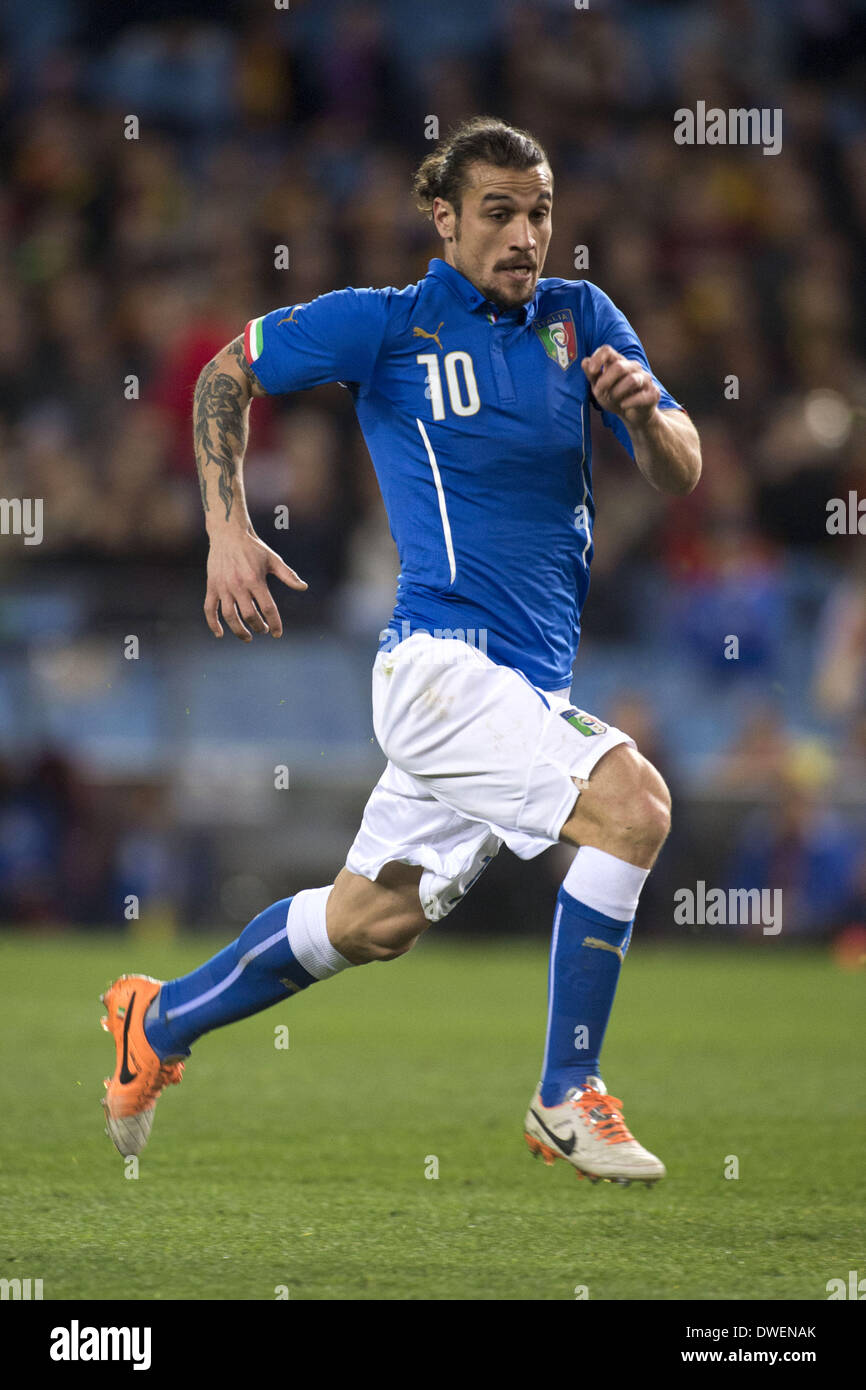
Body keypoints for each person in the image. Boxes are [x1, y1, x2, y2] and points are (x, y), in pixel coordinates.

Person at [100, 117, 701, 1184]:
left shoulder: (582, 318)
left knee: (369, 920)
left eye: (540, 212)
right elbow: (224, 375)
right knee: (633, 804)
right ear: (444, 219)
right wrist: (226, 526)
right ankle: (567, 1092)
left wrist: (644, 420)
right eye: (499, 213)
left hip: (520, 682)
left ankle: (160, 1018)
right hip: (437, 666)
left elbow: (680, 468)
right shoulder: (386, 327)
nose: (526, 236)